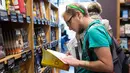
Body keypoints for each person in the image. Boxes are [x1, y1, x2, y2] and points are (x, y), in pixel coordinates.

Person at [62, 3, 113, 73]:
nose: (69, 28)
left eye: (69, 23)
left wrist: (78, 62)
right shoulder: (89, 30)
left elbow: (107, 66)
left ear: (78, 15)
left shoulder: (94, 31)